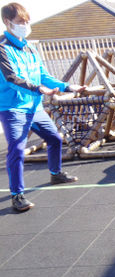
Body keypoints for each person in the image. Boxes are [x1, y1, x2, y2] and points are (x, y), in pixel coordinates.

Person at [0, 2, 85, 212]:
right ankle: (17, 195)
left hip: (34, 107)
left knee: (55, 139)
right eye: (20, 22)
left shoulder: (29, 48)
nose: (25, 25)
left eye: (27, 21)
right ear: (7, 22)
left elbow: (43, 75)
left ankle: (56, 174)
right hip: (13, 108)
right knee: (17, 150)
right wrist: (39, 89)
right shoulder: (2, 48)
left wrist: (67, 86)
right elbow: (12, 78)